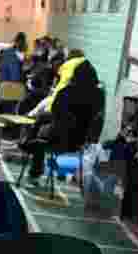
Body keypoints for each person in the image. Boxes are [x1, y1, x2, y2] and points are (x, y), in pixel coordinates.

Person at [19, 51, 101, 186]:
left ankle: (33, 166)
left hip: (58, 138)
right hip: (79, 141)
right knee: (43, 122)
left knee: (39, 138)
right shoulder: (98, 96)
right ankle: (30, 143)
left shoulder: (66, 92)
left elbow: (55, 111)